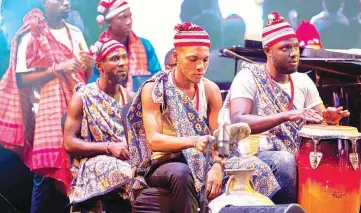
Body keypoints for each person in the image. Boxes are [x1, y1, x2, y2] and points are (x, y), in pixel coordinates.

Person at [127, 22, 279, 213]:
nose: (200, 66)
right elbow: (154, 141)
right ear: (176, 56)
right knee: (182, 173)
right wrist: (194, 141)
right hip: (164, 162)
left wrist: (217, 165)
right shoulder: (155, 89)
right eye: (193, 59)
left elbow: (220, 136)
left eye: (205, 60)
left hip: (203, 158)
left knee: (256, 166)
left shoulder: (210, 89)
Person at [228, 11, 350, 204]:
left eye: (295, 47)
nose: (293, 53)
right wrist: (286, 115)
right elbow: (238, 119)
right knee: (285, 160)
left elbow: (319, 117)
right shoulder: (248, 77)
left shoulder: (303, 81)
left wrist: (328, 119)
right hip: (252, 156)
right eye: (284, 48)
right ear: (268, 50)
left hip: (295, 152)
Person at [0, 0, 93, 213]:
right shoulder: (32, 34)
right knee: (44, 176)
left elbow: (85, 76)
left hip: (77, 111)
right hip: (45, 116)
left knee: (80, 173)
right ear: (44, 0)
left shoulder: (75, 32)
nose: (66, 2)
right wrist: (56, 69)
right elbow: (22, 79)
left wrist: (88, 64)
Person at [64, 38, 134, 212]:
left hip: (127, 158)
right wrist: (109, 147)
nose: (122, 63)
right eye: (115, 59)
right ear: (99, 65)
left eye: (124, 57)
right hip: (93, 161)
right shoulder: (83, 97)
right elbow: (69, 143)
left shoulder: (132, 98)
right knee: (126, 173)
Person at [90, 0, 161, 92]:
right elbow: (93, 87)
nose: (129, 21)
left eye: (130, 16)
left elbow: (158, 80)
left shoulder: (145, 46)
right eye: (122, 17)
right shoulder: (98, 50)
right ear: (109, 22)